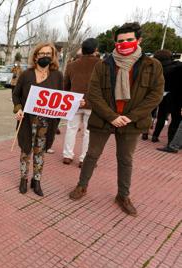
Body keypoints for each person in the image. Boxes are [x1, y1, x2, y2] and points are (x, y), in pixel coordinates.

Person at [68, 23, 164, 216]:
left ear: (139, 40)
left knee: (126, 159)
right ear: (115, 42)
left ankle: (123, 195)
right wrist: (112, 116)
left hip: (131, 121)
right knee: (91, 154)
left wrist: (129, 117)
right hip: (104, 118)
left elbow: (155, 95)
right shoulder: (103, 64)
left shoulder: (152, 65)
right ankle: (82, 185)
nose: (125, 43)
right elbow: (94, 93)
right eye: (121, 41)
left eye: (129, 39)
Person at [13, 42, 63, 196]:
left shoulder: (57, 76)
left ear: (53, 56)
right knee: (25, 151)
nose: (45, 56)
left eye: (48, 54)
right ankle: (23, 179)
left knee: (40, 152)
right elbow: (16, 94)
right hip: (27, 121)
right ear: (36, 56)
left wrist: (76, 103)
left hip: (46, 123)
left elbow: (62, 97)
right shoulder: (26, 74)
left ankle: (37, 180)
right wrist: (18, 108)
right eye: (42, 54)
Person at [62, 38, 102, 168]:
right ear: (96, 50)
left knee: (71, 128)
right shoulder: (102, 65)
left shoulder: (71, 65)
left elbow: (65, 85)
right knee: (88, 131)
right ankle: (84, 158)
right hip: (93, 103)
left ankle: (67, 155)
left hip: (74, 101)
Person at [150, 50, 182, 143]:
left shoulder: (155, 68)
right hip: (172, 96)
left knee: (155, 115)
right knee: (168, 118)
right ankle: (162, 139)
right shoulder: (176, 67)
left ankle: (149, 134)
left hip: (156, 94)